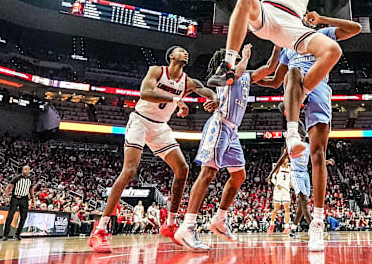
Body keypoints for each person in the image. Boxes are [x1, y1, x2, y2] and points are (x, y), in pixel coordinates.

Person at [206, 0, 342, 161]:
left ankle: (294, 120)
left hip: (293, 26)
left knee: (332, 50)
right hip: (267, 15)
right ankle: (228, 65)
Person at [89, 46, 219, 253]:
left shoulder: (187, 81)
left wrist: (213, 98)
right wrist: (176, 99)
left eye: (187, 51)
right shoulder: (157, 71)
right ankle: (100, 230)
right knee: (130, 170)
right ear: (171, 56)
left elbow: (207, 90)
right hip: (140, 121)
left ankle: (170, 223)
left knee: (182, 169)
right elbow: (146, 92)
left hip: (160, 127)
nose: (185, 53)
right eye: (180, 51)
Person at [259, 11, 360, 250]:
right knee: (293, 74)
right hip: (293, 92)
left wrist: (324, 19)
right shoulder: (286, 46)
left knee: (318, 155)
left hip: (318, 88)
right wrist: (248, 79)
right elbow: (274, 80)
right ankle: (293, 134)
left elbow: (355, 28)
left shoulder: (320, 35)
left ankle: (317, 222)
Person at [174, 44, 280, 252]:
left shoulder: (246, 74)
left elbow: (269, 67)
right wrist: (246, 57)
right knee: (208, 173)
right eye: (236, 56)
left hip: (232, 132)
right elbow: (238, 72)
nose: (240, 57)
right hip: (220, 125)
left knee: (239, 176)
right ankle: (187, 226)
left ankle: (219, 219)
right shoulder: (224, 73)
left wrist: (277, 46)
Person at [1, 165, 35, 241]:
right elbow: (8, 187)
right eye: (25, 169)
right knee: (10, 216)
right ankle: (5, 235)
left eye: (28, 169)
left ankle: (17, 234)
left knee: (23, 217)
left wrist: (33, 200)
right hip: (15, 198)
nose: (27, 170)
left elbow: (31, 190)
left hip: (24, 199)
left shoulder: (30, 179)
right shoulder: (17, 177)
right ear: (22, 170)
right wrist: (6, 197)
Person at [267, 159, 292, 234]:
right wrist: (276, 184)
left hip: (286, 190)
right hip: (278, 190)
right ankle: (271, 225)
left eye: (287, 158)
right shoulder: (278, 167)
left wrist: (291, 183)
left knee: (287, 207)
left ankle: (287, 226)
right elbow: (272, 178)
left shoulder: (290, 168)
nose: (286, 159)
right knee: (276, 208)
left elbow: (291, 178)